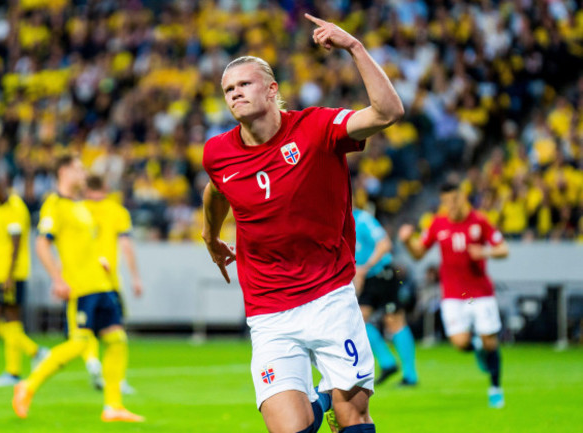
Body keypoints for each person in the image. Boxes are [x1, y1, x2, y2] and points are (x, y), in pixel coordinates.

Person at [202, 13, 404, 433]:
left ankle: (331, 402)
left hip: (330, 297)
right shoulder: (217, 153)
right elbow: (216, 189)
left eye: (244, 84)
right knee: (290, 429)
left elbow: (388, 112)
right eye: (228, 89)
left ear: (272, 89)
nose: (235, 93)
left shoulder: (316, 127)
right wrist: (210, 234)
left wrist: (355, 48)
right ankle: (318, 403)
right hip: (269, 311)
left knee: (353, 418)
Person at [12, 154, 143, 422]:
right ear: (63, 171)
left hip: (102, 283)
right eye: (78, 169)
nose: (84, 173)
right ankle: (28, 385)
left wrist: (101, 262)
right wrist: (58, 279)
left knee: (117, 341)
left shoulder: (79, 206)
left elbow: (83, 246)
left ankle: (113, 406)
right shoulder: (54, 205)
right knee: (79, 343)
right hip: (81, 288)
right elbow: (41, 244)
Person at [398, 181, 509, 408]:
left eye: (455, 199)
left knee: (491, 341)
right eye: (447, 201)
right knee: (459, 342)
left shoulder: (480, 221)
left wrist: (484, 251)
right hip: (454, 294)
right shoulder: (438, 223)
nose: (452, 204)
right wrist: (408, 241)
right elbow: (419, 253)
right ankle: (475, 347)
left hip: (478, 292)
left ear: (463, 197)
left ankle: (495, 388)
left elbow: (503, 249)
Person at [0, 174, 48, 387]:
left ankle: (14, 371)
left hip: (12, 275)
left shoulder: (15, 207)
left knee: (10, 319)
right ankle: (34, 352)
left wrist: (9, 275)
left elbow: (16, 244)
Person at [81, 174, 143, 394]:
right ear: (106, 187)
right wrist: (135, 278)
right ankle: (117, 379)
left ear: (85, 187)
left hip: (81, 281)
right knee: (116, 332)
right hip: (109, 282)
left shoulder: (78, 210)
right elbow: (126, 246)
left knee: (83, 330)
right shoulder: (117, 211)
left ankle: (91, 361)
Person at [353, 207, 418, 387]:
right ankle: (388, 362)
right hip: (365, 278)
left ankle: (410, 376)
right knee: (357, 320)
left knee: (394, 321)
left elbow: (385, 244)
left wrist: (365, 267)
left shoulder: (362, 219)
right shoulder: (339, 222)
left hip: (382, 274)